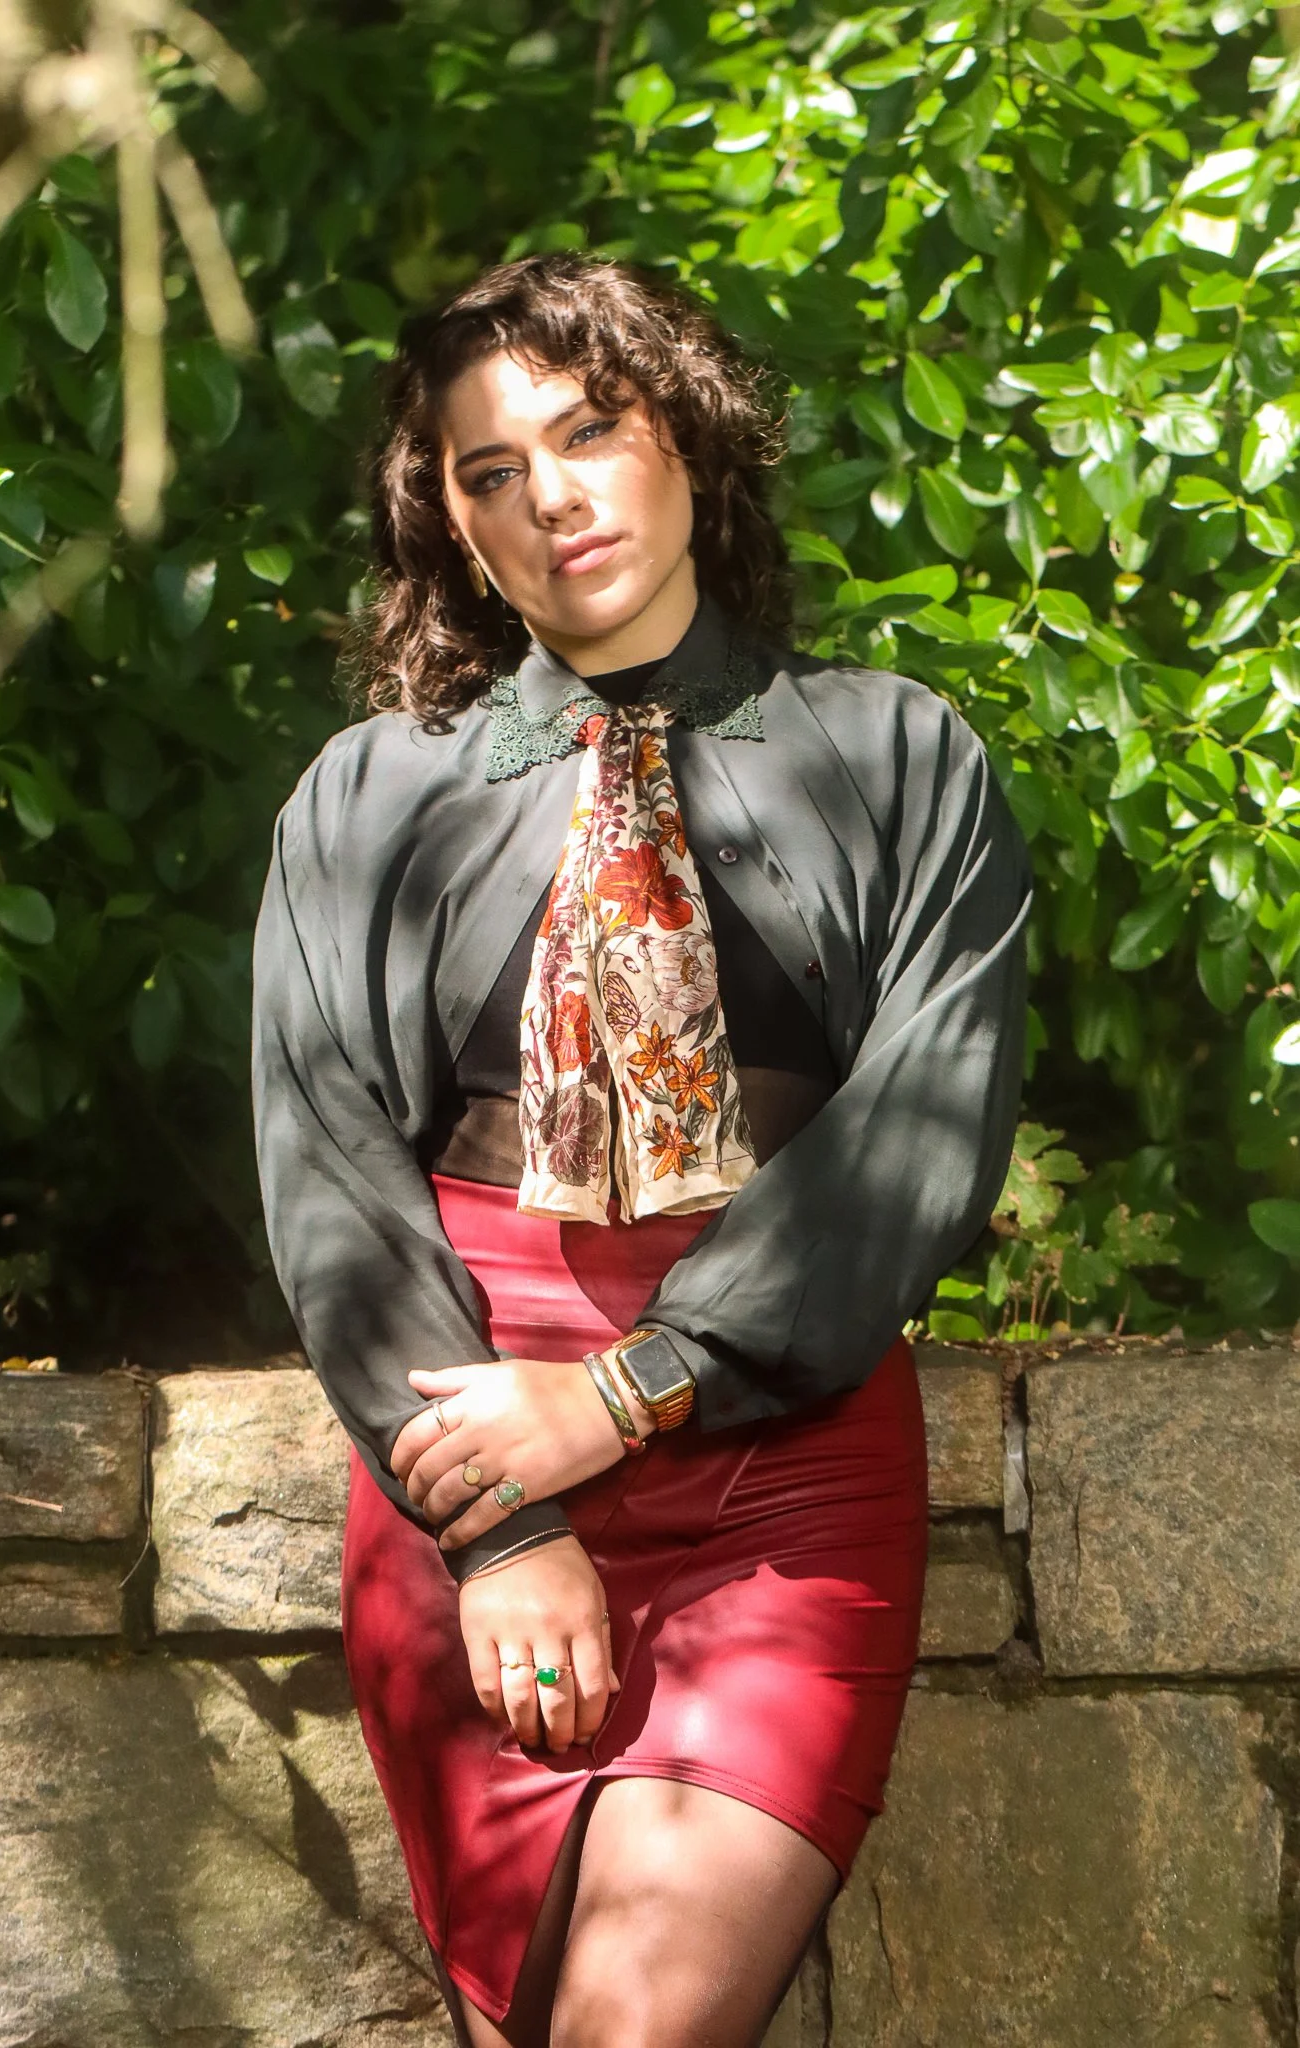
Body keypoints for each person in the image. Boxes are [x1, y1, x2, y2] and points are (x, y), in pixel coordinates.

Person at [251, 251, 1032, 2048]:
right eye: (492, 469)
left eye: (591, 429)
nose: (555, 495)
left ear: (691, 430)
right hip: (464, 1465)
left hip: (784, 1470)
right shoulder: (371, 796)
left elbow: (927, 1121)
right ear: (447, 520)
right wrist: (506, 1513)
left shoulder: (899, 756)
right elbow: (327, 1174)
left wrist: (629, 1389)